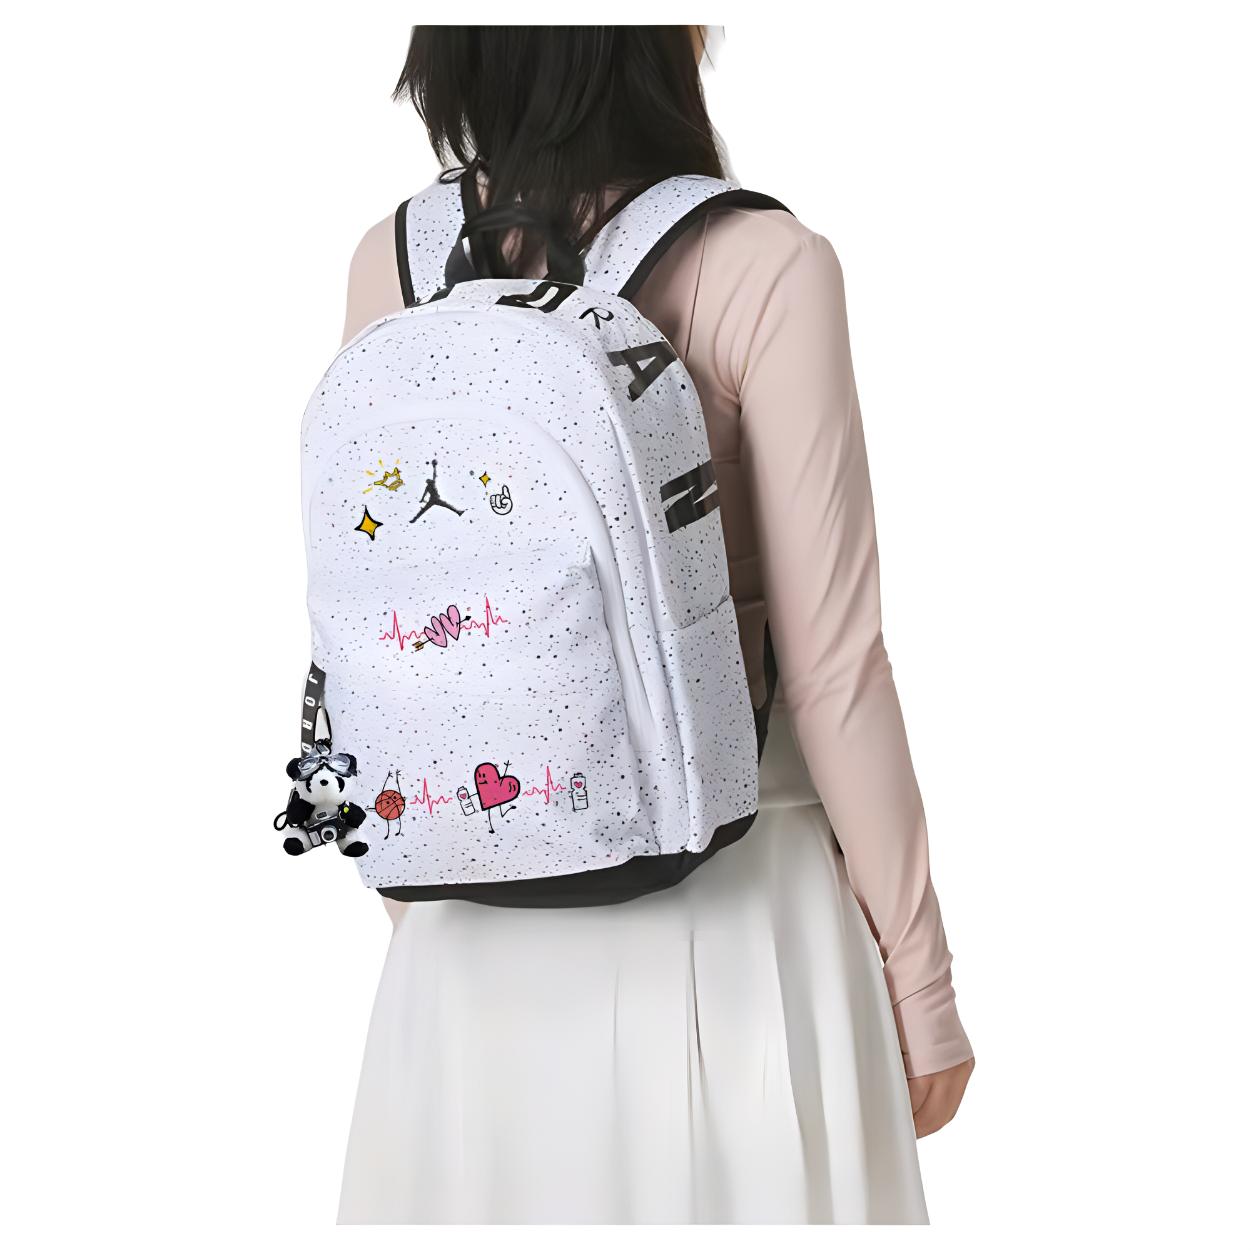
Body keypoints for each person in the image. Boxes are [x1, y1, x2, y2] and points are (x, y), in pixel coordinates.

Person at [334, 25, 973, 1225]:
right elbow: (835, 672)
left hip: (459, 933)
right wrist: (922, 988)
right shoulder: (761, 264)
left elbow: (374, 630)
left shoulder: (396, 263)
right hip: (741, 921)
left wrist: (437, 890)